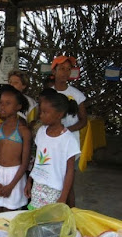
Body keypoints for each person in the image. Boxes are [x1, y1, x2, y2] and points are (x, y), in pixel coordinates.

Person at [24, 89, 80, 209]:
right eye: (41, 111)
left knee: (50, 222)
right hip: (37, 185)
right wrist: (29, 180)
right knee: (35, 218)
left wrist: (63, 197)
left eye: (45, 112)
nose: (41, 115)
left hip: (55, 190)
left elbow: (70, 172)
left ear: (59, 114)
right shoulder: (41, 132)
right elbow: (37, 160)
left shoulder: (68, 139)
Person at [0, 85, 31, 213]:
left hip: (15, 176)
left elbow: (25, 163)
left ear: (18, 107)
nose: (2, 106)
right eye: (1, 103)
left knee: (10, 213)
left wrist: (11, 186)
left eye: (8, 103)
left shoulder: (24, 131)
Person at [51, 55, 87, 207]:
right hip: (52, 143)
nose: (65, 73)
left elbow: (83, 120)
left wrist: (66, 130)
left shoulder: (77, 95)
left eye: (68, 69)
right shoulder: (49, 94)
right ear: (54, 71)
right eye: (61, 69)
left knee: (68, 182)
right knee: (52, 180)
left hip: (69, 144)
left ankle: (71, 214)